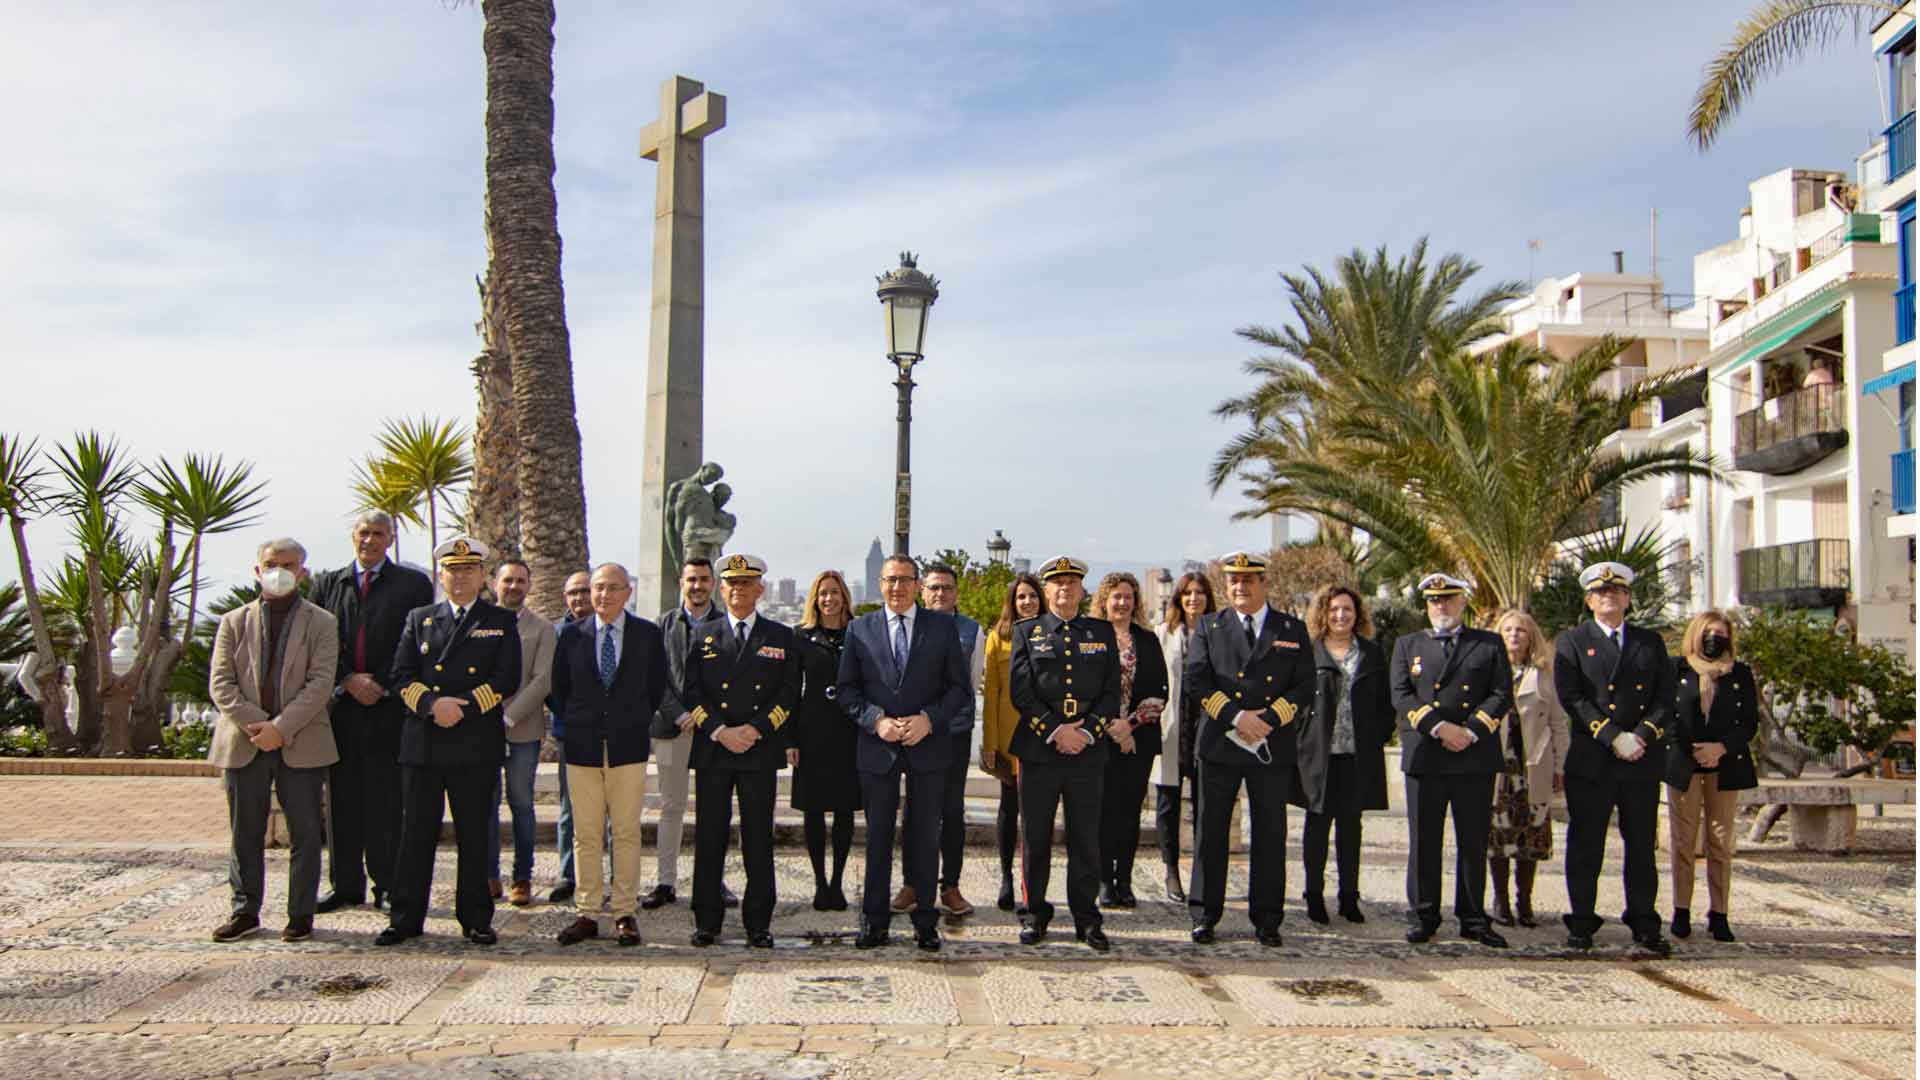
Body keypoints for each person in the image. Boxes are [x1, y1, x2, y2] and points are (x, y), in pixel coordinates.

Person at [377, 537, 522, 947]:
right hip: (424, 742)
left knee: (475, 836)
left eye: (468, 571)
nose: (460, 578)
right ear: (441, 575)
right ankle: (405, 917)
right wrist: (431, 705)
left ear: (482, 576)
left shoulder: (499, 621)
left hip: (474, 743)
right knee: (415, 835)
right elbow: (400, 675)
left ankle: (476, 918)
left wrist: (464, 708)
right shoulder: (419, 619)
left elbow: (506, 678)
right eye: (452, 571)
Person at [836, 555, 972, 951]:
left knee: (926, 835)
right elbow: (847, 690)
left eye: (905, 580)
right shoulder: (860, 629)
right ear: (880, 584)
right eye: (890, 580)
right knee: (878, 836)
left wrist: (930, 719)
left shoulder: (943, 628)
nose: (897, 588)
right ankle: (874, 920)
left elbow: (960, 690)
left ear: (917, 586)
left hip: (928, 746)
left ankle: (925, 921)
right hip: (878, 747)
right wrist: (875, 719)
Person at [208, 538, 339, 943]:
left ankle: (300, 914)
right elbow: (221, 684)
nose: (278, 570)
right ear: (256, 569)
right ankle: (244, 910)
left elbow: (320, 684)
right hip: (244, 741)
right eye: (271, 563)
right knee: (245, 830)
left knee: (305, 831)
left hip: (301, 742)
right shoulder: (233, 622)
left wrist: (281, 728)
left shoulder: (322, 623)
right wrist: (260, 725)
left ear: (302, 572)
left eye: (288, 564)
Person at [1184, 551, 1312, 948]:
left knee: (1271, 833)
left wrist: (1268, 720)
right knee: (1211, 832)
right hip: (1222, 743)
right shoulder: (1210, 626)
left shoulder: (1291, 628)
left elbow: (1304, 685)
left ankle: (1268, 917)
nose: (1240, 588)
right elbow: (1197, 682)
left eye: (1248, 581)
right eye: (1234, 581)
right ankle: (1205, 914)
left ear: (1264, 584)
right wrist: (1239, 718)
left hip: (1269, 745)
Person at [309, 511, 433, 913]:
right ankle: (345, 885)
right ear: (353, 537)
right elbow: (317, 641)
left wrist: (379, 681)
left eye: (379, 534)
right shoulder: (328, 584)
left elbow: (415, 640)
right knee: (342, 800)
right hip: (342, 707)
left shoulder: (413, 585)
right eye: (364, 533)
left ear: (391, 539)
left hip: (389, 708)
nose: (370, 540)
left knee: (385, 800)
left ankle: (387, 883)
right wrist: (347, 679)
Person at [1554, 561, 1675, 955]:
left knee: (1640, 844)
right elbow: (1572, 697)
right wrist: (1611, 736)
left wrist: (1640, 736)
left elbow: (1665, 698)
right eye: (1602, 593)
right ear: (1589, 601)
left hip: (1640, 758)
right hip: (1593, 759)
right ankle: (1582, 921)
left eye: (1617, 592)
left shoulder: (1649, 642)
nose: (1610, 597)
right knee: (1586, 843)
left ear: (1627, 599)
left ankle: (1643, 920)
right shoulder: (1572, 641)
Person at [682, 554, 800, 947]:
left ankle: (758, 922)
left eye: (746, 584)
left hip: (757, 749)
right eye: (731, 584)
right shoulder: (703, 634)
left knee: (757, 838)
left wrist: (756, 729)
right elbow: (691, 691)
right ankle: (706, 920)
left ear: (760, 590)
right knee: (710, 836)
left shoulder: (781, 637)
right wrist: (718, 730)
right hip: (715, 749)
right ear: (721, 588)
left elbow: (788, 694)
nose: (738, 591)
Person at [1389, 572, 1511, 949]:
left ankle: (1473, 917)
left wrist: (1470, 730)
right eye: (1433, 601)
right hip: (1427, 753)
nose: (1440, 606)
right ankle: (1423, 914)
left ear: (1463, 603)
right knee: (1424, 840)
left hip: (1473, 755)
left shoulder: (1487, 644)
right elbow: (1401, 695)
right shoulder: (1408, 645)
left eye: (1448, 599)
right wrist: (1440, 728)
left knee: (1472, 841)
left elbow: (1501, 693)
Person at [550, 563, 669, 948]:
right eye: (596, 588)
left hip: (627, 747)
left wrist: (631, 720)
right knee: (585, 833)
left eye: (611, 588)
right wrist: (579, 721)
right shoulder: (570, 636)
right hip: (582, 746)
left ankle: (623, 911)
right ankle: (586, 912)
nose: (602, 595)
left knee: (626, 831)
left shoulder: (647, 636)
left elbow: (656, 688)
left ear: (627, 592)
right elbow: (558, 689)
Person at [1010, 556, 1120, 951]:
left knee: (1085, 838)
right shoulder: (1028, 631)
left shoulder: (1101, 632)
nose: (1064, 590)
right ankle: (1034, 913)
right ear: (1047, 589)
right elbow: (1020, 692)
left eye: (1072, 583)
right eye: (1057, 583)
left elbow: (1112, 693)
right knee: (1036, 837)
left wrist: (1087, 732)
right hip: (1040, 750)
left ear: (1081, 589)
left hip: (1087, 753)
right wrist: (1057, 730)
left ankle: (1086, 917)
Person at [1292, 584, 1391, 926]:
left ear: (1357, 614)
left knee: (1351, 828)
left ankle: (1349, 897)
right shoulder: (1310, 651)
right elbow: (1297, 700)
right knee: (1317, 827)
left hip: (1356, 755)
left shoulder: (1372, 653)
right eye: (1334, 609)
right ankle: (1313, 896)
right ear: (1323, 613)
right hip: (1319, 754)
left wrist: (1377, 734)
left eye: (1347, 609)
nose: (1340, 615)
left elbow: (1385, 702)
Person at [1665, 609, 1758, 943]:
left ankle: (1719, 913)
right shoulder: (1677, 669)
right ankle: (1681, 910)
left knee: (1720, 841)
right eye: (1708, 633)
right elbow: (1666, 715)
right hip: (1684, 763)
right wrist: (1691, 749)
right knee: (1683, 841)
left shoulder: (1740, 673)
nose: (1714, 639)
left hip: (1725, 763)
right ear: (1696, 635)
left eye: (1720, 634)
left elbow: (1748, 722)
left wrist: (1719, 747)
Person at [896, 563, 984, 916]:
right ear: (921, 590)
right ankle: (912, 883)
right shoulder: (908, 625)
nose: (939, 594)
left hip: (952, 733)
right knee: (913, 810)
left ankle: (950, 885)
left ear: (956, 593)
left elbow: (971, 682)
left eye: (946, 588)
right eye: (933, 588)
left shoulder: (970, 630)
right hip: (913, 733)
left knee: (951, 811)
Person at [644, 557, 728, 911]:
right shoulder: (663, 625)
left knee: (714, 810)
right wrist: (678, 713)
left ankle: (714, 882)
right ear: (681, 582)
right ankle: (665, 881)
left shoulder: (726, 624)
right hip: (671, 727)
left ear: (713, 584)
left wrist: (703, 717)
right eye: (691, 579)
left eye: (704, 579)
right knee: (671, 806)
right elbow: (655, 676)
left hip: (713, 731)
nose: (698, 585)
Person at [1488, 608, 1568, 929]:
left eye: (1520, 630)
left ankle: (1524, 900)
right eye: (1507, 630)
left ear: (1531, 636)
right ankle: (1501, 900)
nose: (1513, 636)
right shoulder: (1489, 671)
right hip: (1499, 765)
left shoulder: (1544, 675)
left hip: (1533, 763)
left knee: (1529, 836)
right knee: (1498, 835)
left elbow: (1558, 724)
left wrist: (1561, 765)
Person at [1091, 572, 1167, 909]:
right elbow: (1085, 689)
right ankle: (1105, 879)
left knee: (1129, 811)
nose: (1122, 603)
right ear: (1104, 600)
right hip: (1099, 739)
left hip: (1139, 741)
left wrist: (1131, 726)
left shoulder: (1148, 640)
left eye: (1128, 596)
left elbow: (1160, 690)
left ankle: (1125, 879)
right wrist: (1113, 727)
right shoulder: (1090, 637)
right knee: (1103, 811)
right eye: (1116, 596)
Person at [791, 569, 860, 911]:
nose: (829, 599)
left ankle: (838, 881)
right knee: (814, 811)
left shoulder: (859, 634)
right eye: (822, 594)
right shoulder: (801, 637)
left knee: (846, 811)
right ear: (815, 600)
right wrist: (790, 738)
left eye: (834, 592)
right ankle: (820, 882)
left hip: (849, 732)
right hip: (812, 731)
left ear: (844, 597)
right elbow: (790, 691)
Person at [488, 560, 554, 908]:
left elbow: (542, 680)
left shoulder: (541, 628)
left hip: (522, 730)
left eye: (520, 581)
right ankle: (488, 874)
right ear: (494, 583)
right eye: (507, 580)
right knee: (485, 805)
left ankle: (522, 876)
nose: (513, 586)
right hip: (480, 729)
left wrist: (508, 717)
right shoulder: (480, 623)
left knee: (522, 804)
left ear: (529, 586)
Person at [981, 573, 1043, 911]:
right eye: (1021, 597)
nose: (1027, 602)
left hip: (1042, 738)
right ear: (1012, 602)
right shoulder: (998, 638)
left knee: (1036, 815)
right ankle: (1006, 876)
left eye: (1032, 596)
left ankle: (1030, 884)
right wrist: (990, 742)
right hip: (1009, 739)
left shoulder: (1051, 634)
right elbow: (991, 693)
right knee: (1009, 810)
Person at [1153, 572, 1214, 903]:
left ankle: (1203, 872)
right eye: (1188, 593)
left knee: (1206, 804)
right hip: (1174, 726)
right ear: (1178, 598)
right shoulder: (1164, 634)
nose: (1194, 598)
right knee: (1168, 803)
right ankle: (1171, 869)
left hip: (1207, 726)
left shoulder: (1217, 633)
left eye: (1200, 592)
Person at [549, 570, 594, 903]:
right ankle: (569, 874)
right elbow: (552, 687)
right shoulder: (557, 634)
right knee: (569, 808)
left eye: (585, 591)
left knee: (608, 812)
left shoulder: (616, 630)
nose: (579, 598)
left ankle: (602, 875)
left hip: (610, 734)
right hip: (571, 732)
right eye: (573, 593)